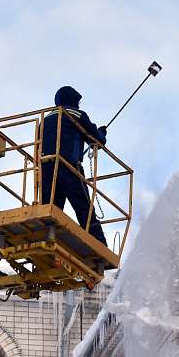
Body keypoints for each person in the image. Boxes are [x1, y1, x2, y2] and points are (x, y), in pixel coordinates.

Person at [40, 85, 108, 246]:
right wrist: (102, 132)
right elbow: (96, 140)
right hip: (69, 166)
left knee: (51, 207)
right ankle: (99, 243)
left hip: (46, 166)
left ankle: (48, 236)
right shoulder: (77, 114)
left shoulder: (46, 118)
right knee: (82, 205)